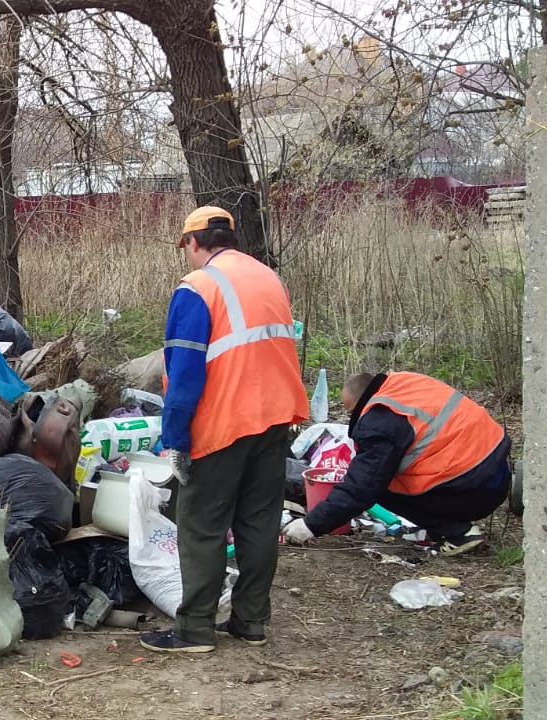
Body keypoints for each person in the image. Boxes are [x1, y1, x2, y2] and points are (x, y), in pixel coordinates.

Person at [139, 206, 309, 654]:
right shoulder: (268, 278)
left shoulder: (199, 287)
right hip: (274, 417)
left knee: (201, 525)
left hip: (224, 422)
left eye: (187, 249)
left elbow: (185, 369)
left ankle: (194, 629)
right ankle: (251, 621)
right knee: (258, 521)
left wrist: (175, 438)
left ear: (194, 242)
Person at [283, 371, 510, 556]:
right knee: (382, 477)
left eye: (349, 411)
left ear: (359, 403)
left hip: (473, 487)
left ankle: (458, 533)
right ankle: (447, 525)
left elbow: (362, 488)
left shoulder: (381, 418)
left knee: (381, 487)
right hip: (495, 470)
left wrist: (311, 525)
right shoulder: (404, 384)